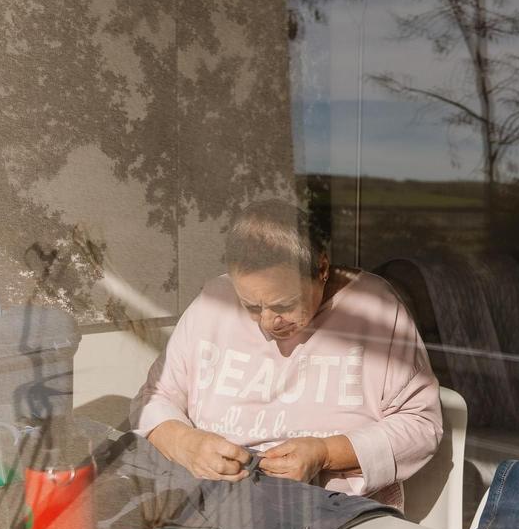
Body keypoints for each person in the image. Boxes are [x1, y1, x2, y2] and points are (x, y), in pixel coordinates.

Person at [130, 200, 442, 508]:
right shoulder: (214, 302)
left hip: (331, 510)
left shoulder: (373, 309)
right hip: (216, 506)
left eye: (283, 305)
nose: (267, 323)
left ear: (321, 268)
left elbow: (422, 425)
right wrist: (186, 444)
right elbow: (154, 398)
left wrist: (325, 453)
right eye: (251, 306)